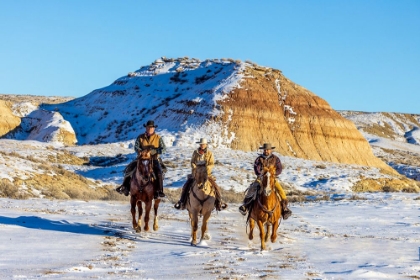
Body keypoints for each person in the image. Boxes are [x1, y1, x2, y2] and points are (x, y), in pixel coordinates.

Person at [238, 143, 292, 220]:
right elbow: (256, 169)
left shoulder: (276, 159)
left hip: (272, 179)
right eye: (265, 149)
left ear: (271, 150)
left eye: (268, 149)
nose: (266, 151)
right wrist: (261, 174)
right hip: (261, 178)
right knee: (252, 189)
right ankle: (245, 206)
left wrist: (273, 174)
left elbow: (279, 169)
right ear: (263, 150)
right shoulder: (259, 159)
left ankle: (284, 208)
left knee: (281, 191)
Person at [116, 120, 166, 199]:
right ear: (146, 128)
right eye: (148, 127)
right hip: (141, 159)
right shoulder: (140, 137)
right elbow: (136, 147)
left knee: (159, 173)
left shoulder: (158, 138)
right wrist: (140, 151)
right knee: (130, 169)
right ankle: (125, 187)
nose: (150, 129)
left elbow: (163, 149)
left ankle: (159, 191)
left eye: (151, 127)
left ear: (154, 128)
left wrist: (153, 151)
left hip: (154, 159)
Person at [174, 138, 227, 211]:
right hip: (196, 174)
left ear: (206, 145)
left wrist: (206, 169)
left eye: (203, 144)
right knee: (186, 185)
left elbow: (211, 163)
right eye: (201, 144)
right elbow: (192, 162)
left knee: (215, 186)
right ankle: (182, 202)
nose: (202, 145)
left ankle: (219, 202)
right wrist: (195, 168)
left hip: (206, 174)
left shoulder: (209, 153)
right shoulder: (195, 152)